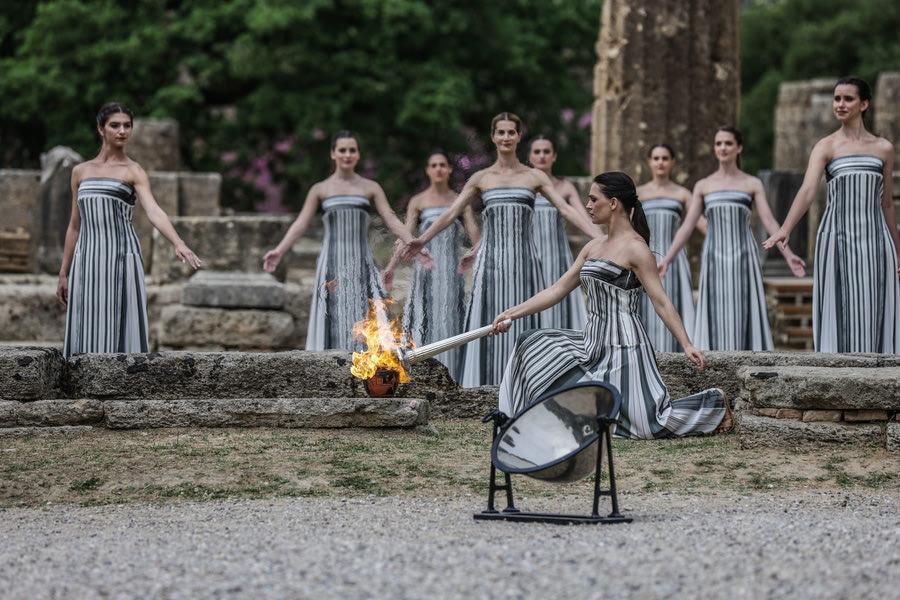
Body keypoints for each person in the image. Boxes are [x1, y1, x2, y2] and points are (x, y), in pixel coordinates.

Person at [492, 172, 732, 438]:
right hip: (591, 344)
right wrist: (510, 314)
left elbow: (660, 301)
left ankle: (714, 402)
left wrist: (686, 343)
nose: (588, 206)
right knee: (531, 343)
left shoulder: (636, 249)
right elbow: (557, 290)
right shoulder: (593, 247)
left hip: (625, 349)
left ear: (614, 203)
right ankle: (526, 422)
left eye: (594, 199)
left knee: (649, 427)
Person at [402, 112, 602, 387]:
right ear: (493, 136)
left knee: (526, 321)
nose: (506, 137)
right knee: (489, 324)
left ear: (519, 137)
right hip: (491, 265)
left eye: (511, 132)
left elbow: (566, 210)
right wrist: (422, 240)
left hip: (526, 264)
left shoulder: (534, 177)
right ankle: (487, 386)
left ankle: (530, 385)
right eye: (501, 132)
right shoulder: (481, 178)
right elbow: (451, 213)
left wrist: (603, 238)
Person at [763, 77, 900, 353]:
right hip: (836, 237)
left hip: (875, 239)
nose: (840, 104)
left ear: (864, 104)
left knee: (876, 305)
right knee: (840, 306)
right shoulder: (826, 146)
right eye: (837, 99)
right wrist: (785, 228)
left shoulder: (883, 148)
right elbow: (807, 191)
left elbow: (886, 204)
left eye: (848, 99)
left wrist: (898, 250)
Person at [263, 130, 430, 351]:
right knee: (331, 315)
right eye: (342, 150)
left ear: (358, 155)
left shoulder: (370, 187)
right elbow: (300, 224)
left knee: (366, 317)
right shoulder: (320, 189)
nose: (347, 154)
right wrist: (279, 250)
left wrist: (412, 242)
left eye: (352, 150)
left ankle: (367, 371)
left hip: (361, 263)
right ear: (333, 154)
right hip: (330, 264)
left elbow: (390, 218)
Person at [57, 102, 201, 358]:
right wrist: (63, 272)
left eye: (127, 126)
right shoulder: (80, 172)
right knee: (85, 319)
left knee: (118, 319)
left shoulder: (133, 171)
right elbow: (75, 225)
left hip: (120, 256)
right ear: (101, 129)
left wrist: (178, 242)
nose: (122, 131)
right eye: (115, 125)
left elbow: (154, 211)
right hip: (87, 258)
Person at [657, 126, 806, 351]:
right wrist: (667, 259)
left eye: (728, 143)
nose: (722, 148)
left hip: (744, 256)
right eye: (718, 144)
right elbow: (687, 226)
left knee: (743, 309)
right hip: (714, 256)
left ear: (739, 148)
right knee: (715, 310)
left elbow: (769, 221)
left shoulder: (752, 183)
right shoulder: (703, 185)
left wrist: (789, 255)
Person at [381, 150, 480, 377]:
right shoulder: (418, 202)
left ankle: (454, 375)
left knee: (452, 321)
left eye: (443, 165)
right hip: (425, 275)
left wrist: (475, 252)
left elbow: (475, 236)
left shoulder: (459, 201)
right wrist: (390, 267)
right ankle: (421, 374)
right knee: (423, 320)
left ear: (449, 170)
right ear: (428, 170)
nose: (438, 169)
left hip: (452, 275)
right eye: (434, 165)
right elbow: (406, 237)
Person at [635, 143, 703, 352]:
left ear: (672, 162)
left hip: (674, 260)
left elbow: (699, 223)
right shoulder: (638, 194)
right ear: (649, 162)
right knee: (646, 306)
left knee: (674, 303)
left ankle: (679, 351)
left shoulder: (683, 194)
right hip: (644, 258)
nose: (660, 162)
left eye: (665, 158)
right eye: (656, 158)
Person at [526, 135, 591, 330]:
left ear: (554, 156)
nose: (542, 156)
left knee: (561, 301)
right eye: (537, 152)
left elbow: (583, 218)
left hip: (558, 257)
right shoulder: (523, 188)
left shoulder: (565, 187)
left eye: (547, 152)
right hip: (531, 257)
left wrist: (604, 238)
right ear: (529, 157)